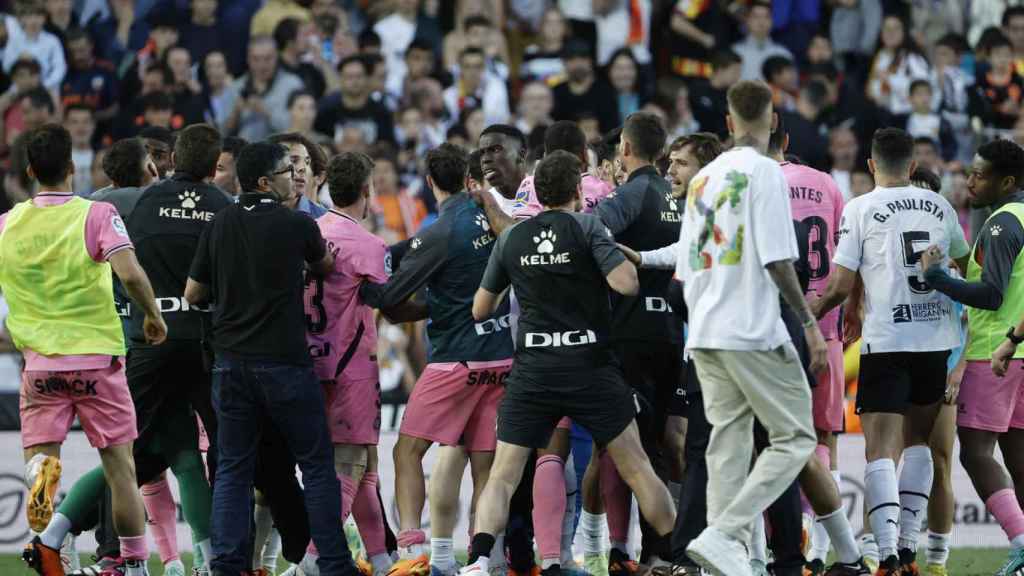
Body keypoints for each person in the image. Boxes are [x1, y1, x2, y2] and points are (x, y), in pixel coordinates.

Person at [460, 149, 675, 576]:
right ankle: (677, 554)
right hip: (589, 365)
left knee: (504, 474)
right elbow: (627, 284)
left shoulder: (513, 238)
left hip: (535, 368)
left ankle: (479, 560)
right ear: (578, 191)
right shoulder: (588, 226)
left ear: (536, 194)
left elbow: (480, 309)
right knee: (637, 466)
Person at [185, 141, 356, 576]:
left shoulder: (220, 223)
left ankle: (227, 566)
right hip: (285, 362)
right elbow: (324, 266)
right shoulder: (296, 224)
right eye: (286, 171)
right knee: (316, 467)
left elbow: (193, 294)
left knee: (233, 471)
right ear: (264, 182)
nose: (295, 178)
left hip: (231, 364)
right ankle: (335, 565)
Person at [677, 80, 820, 576]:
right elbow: (780, 260)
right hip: (750, 328)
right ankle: (724, 531)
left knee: (728, 442)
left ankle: (727, 553)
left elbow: (686, 264)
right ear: (774, 120)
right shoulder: (765, 173)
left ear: (729, 123)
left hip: (705, 329)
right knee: (797, 437)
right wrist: (808, 324)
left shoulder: (702, 179)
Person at [812, 128, 970, 575]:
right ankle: (906, 550)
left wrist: (812, 312)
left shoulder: (861, 208)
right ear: (914, 166)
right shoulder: (940, 206)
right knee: (920, 444)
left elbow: (840, 285)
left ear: (870, 166)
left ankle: (884, 556)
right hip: (935, 342)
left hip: (887, 339)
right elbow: (959, 265)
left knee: (880, 449)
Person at [13, 124, 166, 576]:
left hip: (39, 364)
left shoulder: (6, 225)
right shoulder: (95, 214)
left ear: (29, 171)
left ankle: (42, 481)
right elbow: (133, 274)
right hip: (97, 360)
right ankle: (135, 564)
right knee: (121, 468)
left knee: (41, 460)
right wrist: (153, 315)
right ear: (73, 169)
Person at [359, 143, 514, 576]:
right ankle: (487, 558)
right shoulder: (495, 216)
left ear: (429, 184)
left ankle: (411, 553)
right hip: (501, 358)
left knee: (407, 451)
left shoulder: (438, 232)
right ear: (470, 179)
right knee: (484, 462)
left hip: (455, 362)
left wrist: (370, 287)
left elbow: (391, 297)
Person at [287, 152, 395, 576]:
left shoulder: (308, 232)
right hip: (352, 369)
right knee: (349, 466)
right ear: (367, 192)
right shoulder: (369, 245)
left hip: (307, 364)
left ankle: (384, 560)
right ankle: (311, 562)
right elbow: (389, 301)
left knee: (365, 462)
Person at [592, 111, 682, 570]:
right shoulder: (677, 195)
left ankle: (650, 553)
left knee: (634, 449)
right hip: (673, 331)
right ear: (664, 152)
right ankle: (660, 550)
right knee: (661, 445)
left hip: (630, 331)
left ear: (624, 149)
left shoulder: (632, 192)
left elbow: (592, 231)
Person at [931, 139, 1024, 576]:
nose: (970, 180)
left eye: (980, 174)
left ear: (1006, 182)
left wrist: (937, 279)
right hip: (1019, 351)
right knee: (1018, 457)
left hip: (994, 355)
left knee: (974, 451)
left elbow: (990, 294)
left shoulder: (1002, 223)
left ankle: (1022, 543)